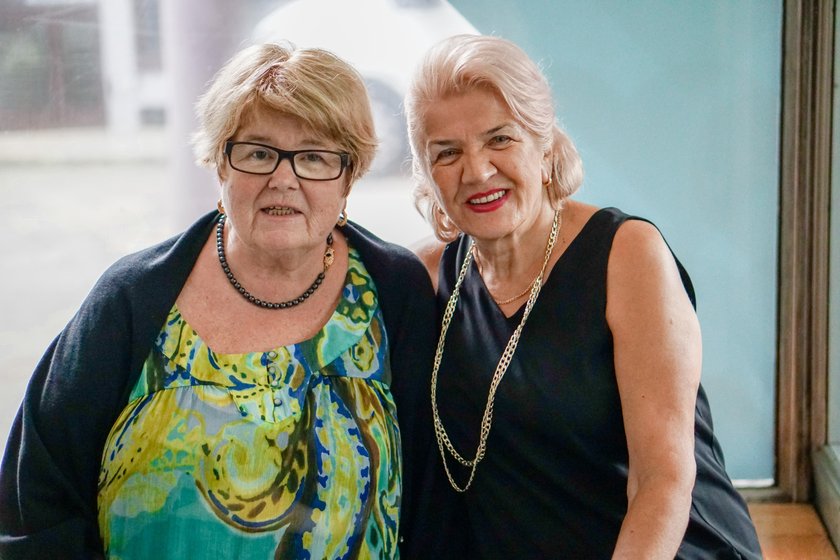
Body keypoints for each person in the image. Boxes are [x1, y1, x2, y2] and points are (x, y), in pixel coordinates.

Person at [0, 42, 436, 559]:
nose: (283, 179)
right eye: (258, 153)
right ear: (220, 166)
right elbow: (34, 503)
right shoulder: (131, 300)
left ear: (349, 176)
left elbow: (434, 501)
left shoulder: (396, 291)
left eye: (314, 157)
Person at [405, 34, 764, 559]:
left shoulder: (627, 254)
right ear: (427, 173)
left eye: (500, 139)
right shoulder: (429, 276)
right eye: (448, 153)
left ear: (545, 147)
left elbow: (662, 481)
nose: (477, 170)